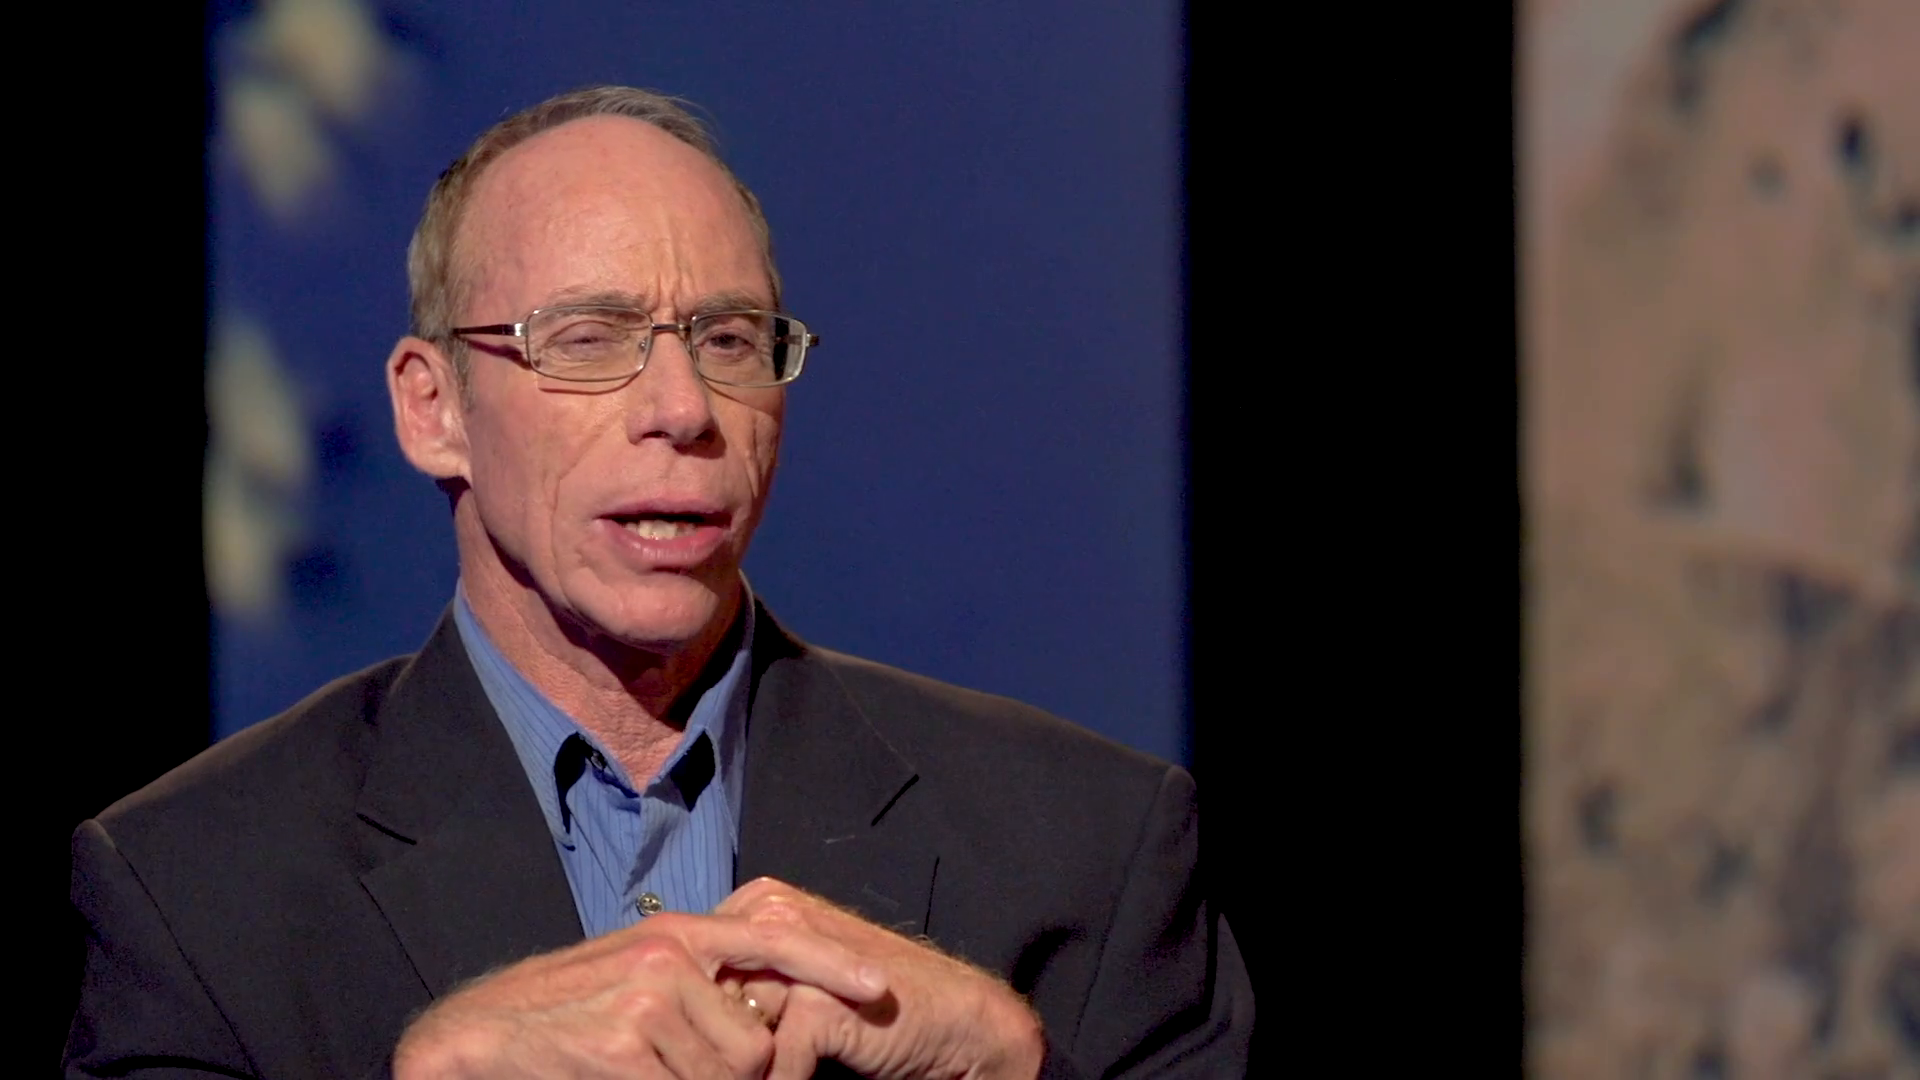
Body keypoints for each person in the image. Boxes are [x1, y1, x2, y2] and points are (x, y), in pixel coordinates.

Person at [65, 86, 1253, 1080]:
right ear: (434, 409)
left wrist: (1017, 1064)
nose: (685, 409)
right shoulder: (196, 892)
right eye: (588, 339)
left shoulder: (1090, 854)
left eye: (731, 341)